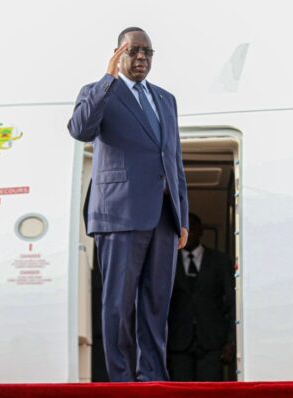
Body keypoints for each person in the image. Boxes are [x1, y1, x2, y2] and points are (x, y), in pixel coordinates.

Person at [68, 27, 189, 382]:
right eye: (133, 51)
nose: (141, 58)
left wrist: (182, 215)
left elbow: (173, 159)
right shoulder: (99, 91)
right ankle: (121, 378)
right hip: (118, 213)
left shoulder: (165, 99)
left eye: (147, 52)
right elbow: (80, 130)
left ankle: (152, 376)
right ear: (118, 53)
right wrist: (107, 79)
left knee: (156, 302)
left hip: (163, 217)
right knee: (118, 303)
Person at [168, 213, 236, 381]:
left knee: (210, 391)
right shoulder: (168, 262)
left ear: (201, 231)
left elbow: (232, 303)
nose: (188, 233)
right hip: (178, 343)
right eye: (185, 229)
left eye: (192, 228)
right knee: (180, 391)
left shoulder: (220, 261)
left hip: (212, 343)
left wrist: (231, 340)